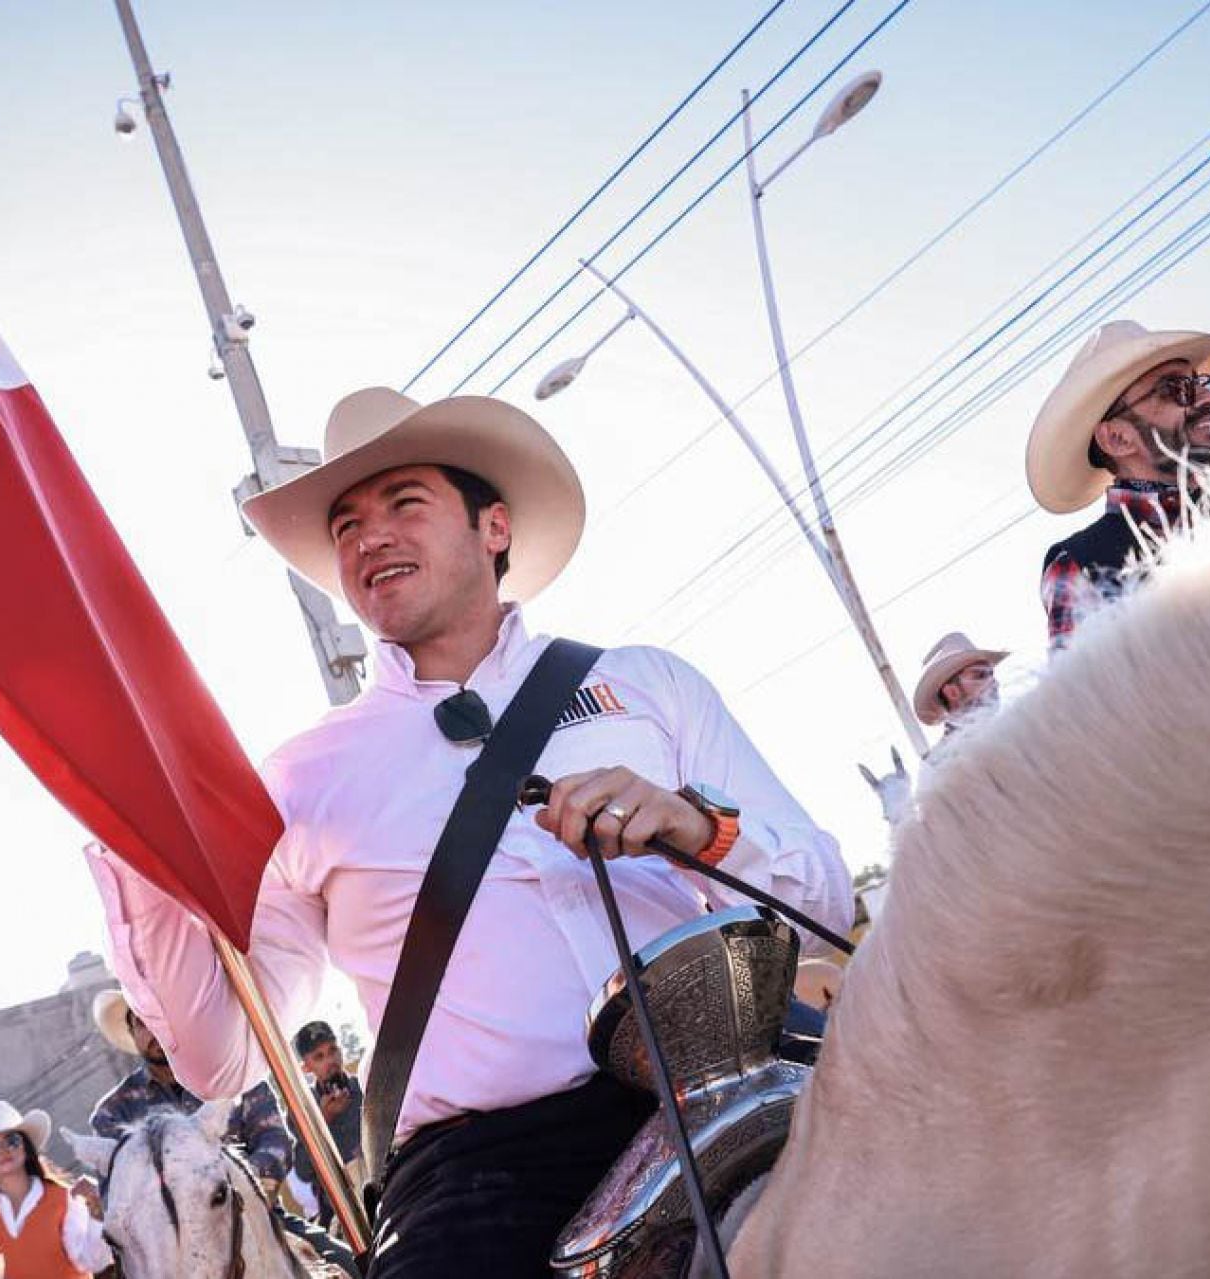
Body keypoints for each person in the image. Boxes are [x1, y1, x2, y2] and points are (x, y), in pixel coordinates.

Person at [86, 386, 850, 1276]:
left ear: (494, 527)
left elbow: (821, 900)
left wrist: (694, 824)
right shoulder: (298, 781)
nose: (369, 536)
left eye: (404, 502)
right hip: (483, 1169)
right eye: (345, 525)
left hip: (727, 1073)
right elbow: (228, 1056)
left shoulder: (648, 684)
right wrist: (130, 834)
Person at [1027, 320, 1210, 648]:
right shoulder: (1080, 566)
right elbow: (1087, 698)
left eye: (1200, 382)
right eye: (1173, 388)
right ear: (1118, 438)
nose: (1205, 396)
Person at [89, 988, 293, 1194]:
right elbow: (116, 1190)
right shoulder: (113, 1113)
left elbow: (274, 1140)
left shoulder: (236, 1073)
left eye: (160, 1017)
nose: (155, 1031)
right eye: (142, 1022)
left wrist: (233, 1185)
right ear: (131, 1032)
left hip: (254, 1212)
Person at [0, 1100, 110, 1279]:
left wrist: (96, 1211)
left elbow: (94, 1261)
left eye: (12, 1141)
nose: (3, 1150)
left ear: (26, 1149)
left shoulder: (64, 1199)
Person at [286, 1020, 364, 1226]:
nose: (330, 1060)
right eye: (319, 1057)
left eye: (332, 1050)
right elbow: (304, 1171)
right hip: (340, 1211)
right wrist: (324, 1121)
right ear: (306, 1067)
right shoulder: (302, 1110)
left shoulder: (365, 1087)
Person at [912, 632, 1009, 739]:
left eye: (992, 675)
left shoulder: (1008, 732)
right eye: (980, 675)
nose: (994, 683)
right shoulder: (950, 753)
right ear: (952, 692)